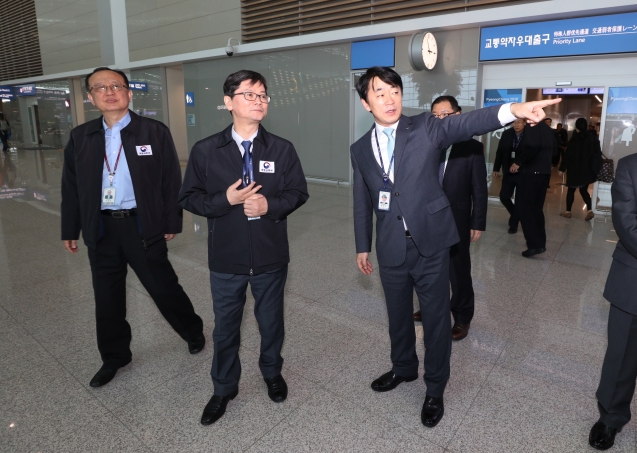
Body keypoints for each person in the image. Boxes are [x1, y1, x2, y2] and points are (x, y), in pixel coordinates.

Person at [351, 66, 560, 428]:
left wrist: (513, 110)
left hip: (430, 243)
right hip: (390, 247)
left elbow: (468, 124)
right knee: (397, 317)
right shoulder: (359, 149)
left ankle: (435, 388)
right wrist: (362, 245)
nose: (389, 99)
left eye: (395, 91)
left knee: (434, 320)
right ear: (365, 101)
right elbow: (361, 199)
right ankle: (403, 368)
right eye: (380, 92)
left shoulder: (425, 127)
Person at [178, 70, 309, 426]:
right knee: (225, 328)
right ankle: (223, 388)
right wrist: (226, 199)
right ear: (228, 102)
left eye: (263, 95)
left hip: (270, 255)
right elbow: (188, 197)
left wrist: (270, 206)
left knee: (271, 323)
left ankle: (271, 372)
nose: (258, 101)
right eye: (249, 94)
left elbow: (298, 192)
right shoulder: (206, 150)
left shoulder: (281, 148)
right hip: (227, 257)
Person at [61, 67, 205, 388]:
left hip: (142, 225)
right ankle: (114, 356)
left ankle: (192, 330)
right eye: (100, 87)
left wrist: (170, 221)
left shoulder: (153, 131)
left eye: (116, 85)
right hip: (101, 228)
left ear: (128, 92)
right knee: (107, 296)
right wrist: (70, 228)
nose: (109, 91)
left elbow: (170, 180)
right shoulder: (81, 137)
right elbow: (72, 187)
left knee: (163, 287)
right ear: (90, 97)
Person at [412, 95, 487, 342]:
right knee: (429, 268)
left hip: (457, 218)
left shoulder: (472, 147)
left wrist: (477, 221)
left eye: (446, 114)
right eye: (436, 115)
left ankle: (463, 317)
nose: (441, 119)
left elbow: (479, 188)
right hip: (427, 218)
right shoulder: (425, 143)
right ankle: (432, 307)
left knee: (458, 270)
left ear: (458, 115)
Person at [589, 154, 637, 451]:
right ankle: (611, 416)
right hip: (633, 276)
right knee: (622, 355)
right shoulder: (631, 166)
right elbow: (627, 222)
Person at [509, 120, 557, 257]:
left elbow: (531, 147)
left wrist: (518, 162)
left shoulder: (532, 127)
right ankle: (540, 242)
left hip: (532, 173)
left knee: (524, 208)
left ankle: (535, 244)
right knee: (536, 209)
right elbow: (554, 151)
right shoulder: (547, 129)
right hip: (544, 173)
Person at [558, 118, 599, 221]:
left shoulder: (574, 139)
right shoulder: (593, 138)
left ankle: (568, 211)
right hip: (587, 169)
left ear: (577, 126)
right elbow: (597, 154)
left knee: (571, 190)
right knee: (584, 190)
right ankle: (589, 210)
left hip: (574, 169)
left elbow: (568, 155)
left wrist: (562, 168)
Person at [493, 118, 526, 234]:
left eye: (520, 122)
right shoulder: (507, 133)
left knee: (520, 200)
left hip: (523, 172)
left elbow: (531, 152)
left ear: (525, 123)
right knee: (504, 196)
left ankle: (514, 224)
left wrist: (520, 163)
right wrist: (496, 167)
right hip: (508, 170)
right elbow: (500, 151)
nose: (516, 125)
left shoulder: (529, 135)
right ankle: (516, 216)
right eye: (515, 122)